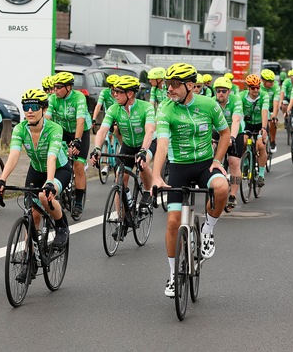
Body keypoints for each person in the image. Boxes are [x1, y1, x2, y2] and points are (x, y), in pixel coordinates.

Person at [151, 63, 229, 298]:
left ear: (190, 86)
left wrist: (218, 159)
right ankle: (174, 275)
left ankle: (207, 230)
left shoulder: (209, 105)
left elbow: (225, 133)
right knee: (174, 221)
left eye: (174, 85)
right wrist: (156, 176)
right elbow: (162, 144)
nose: (169, 89)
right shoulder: (165, 109)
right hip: (179, 167)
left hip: (205, 164)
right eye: (167, 84)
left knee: (222, 187)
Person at [0, 89, 71, 272]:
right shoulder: (20, 129)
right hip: (36, 170)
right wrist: (2, 180)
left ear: (43, 109)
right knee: (33, 214)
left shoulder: (54, 129)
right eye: (26, 107)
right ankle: (30, 257)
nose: (29, 111)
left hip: (59, 169)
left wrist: (50, 182)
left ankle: (61, 227)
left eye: (34, 107)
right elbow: (13, 155)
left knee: (45, 197)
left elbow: (52, 157)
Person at [91, 75, 156, 239]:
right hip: (128, 145)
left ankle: (148, 191)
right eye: (113, 91)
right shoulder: (114, 109)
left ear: (130, 94)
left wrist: (143, 150)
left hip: (146, 143)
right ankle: (122, 219)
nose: (114, 95)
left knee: (143, 163)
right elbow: (102, 130)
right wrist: (97, 148)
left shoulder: (146, 107)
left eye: (118, 92)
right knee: (120, 180)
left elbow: (149, 131)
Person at [46, 71, 92, 219]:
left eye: (59, 87)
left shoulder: (78, 97)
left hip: (80, 131)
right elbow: (47, 117)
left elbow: (80, 120)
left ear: (68, 87)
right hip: (64, 131)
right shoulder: (53, 98)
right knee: (57, 159)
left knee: (78, 165)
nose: (56, 90)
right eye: (54, 87)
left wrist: (77, 140)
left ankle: (78, 202)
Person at [213, 76, 244, 212]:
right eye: (218, 91)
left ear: (229, 92)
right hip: (218, 131)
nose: (220, 93)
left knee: (234, 162)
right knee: (212, 155)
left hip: (234, 132)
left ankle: (232, 195)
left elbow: (236, 120)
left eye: (224, 91)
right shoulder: (212, 102)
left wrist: (231, 137)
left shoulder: (236, 100)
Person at [239, 74, 270, 186]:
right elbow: (238, 113)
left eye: (258, 87)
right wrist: (240, 129)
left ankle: (261, 175)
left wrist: (264, 128)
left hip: (261, 124)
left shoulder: (264, 95)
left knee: (261, 146)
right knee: (242, 141)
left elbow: (265, 111)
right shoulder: (241, 96)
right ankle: (246, 163)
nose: (256, 90)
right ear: (248, 87)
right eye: (253, 88)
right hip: (247, 124)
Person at [260, 68, 280, 153]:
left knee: (273, 122)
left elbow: (276, 103)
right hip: (261, 108)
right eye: (269, 81)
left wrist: (274, 116)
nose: (272, 83)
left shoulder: (276, 87)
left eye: (273, 81)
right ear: (263, 81)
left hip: (272, 107)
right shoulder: (259, 87)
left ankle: (272, 141)